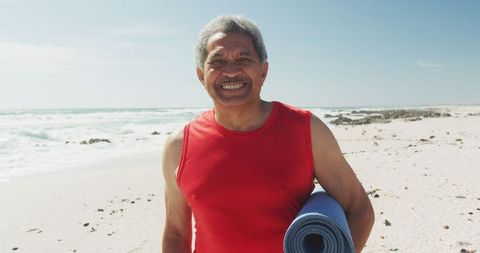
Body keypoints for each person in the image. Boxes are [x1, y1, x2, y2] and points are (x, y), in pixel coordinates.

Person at [162, 15, 374, 253]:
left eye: (244, 59)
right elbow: (176, 233)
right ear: (202, 75)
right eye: (217, 62)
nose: (231, 71)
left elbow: (359, 209)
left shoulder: (306, 129)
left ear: (263, 71)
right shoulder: (179, 146)